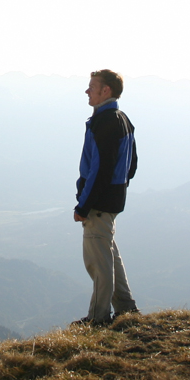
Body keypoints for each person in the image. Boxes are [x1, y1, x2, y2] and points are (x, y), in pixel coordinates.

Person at [72, 68, 139, 326]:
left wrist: (84, 205)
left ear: (106, 90)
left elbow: (98, 171)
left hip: (98, 205)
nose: (87, 91)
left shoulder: (105, 122)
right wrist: (118, 189)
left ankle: (98, 319)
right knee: (109, 256)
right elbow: (131, 163)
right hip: (112, 201)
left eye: (92, 86)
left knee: (98, 264)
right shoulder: (123, 119)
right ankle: (126, 308)